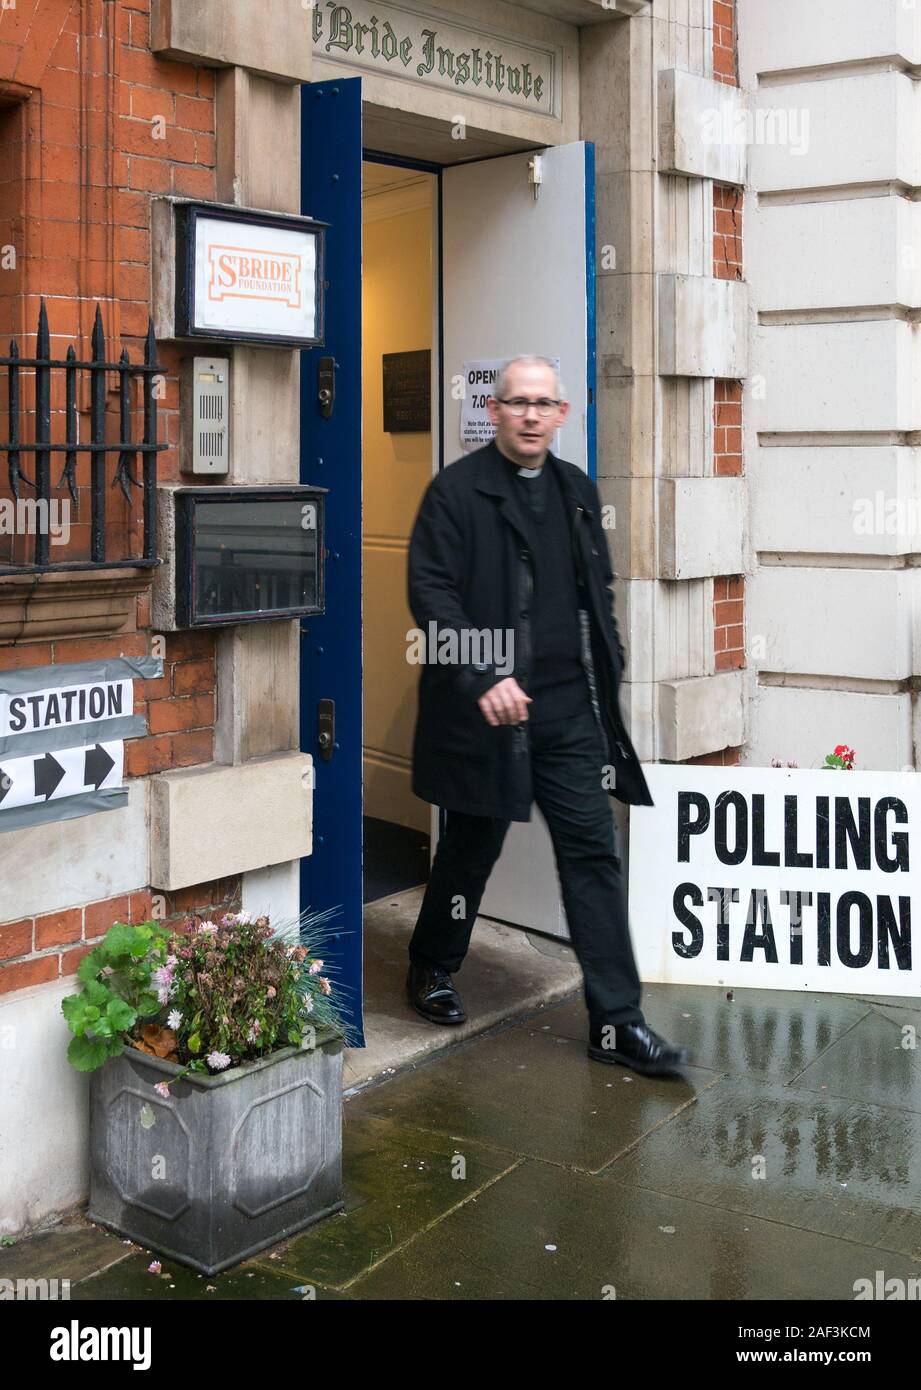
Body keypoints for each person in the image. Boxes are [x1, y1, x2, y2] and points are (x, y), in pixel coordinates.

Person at [405, 355, 691, 1076]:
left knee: (593, 855)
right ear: (493, 411)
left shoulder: (575, 491)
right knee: (470, 848)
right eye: (516, 403)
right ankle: (432, 966)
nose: (530, 415)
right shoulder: (454, 493)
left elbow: (598, 593)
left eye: (543, 404)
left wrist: (611, 664)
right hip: (490, 715)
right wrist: (483, 673)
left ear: (561, 415)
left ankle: (617, 1023)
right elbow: (430, 595)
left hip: (566, 712)